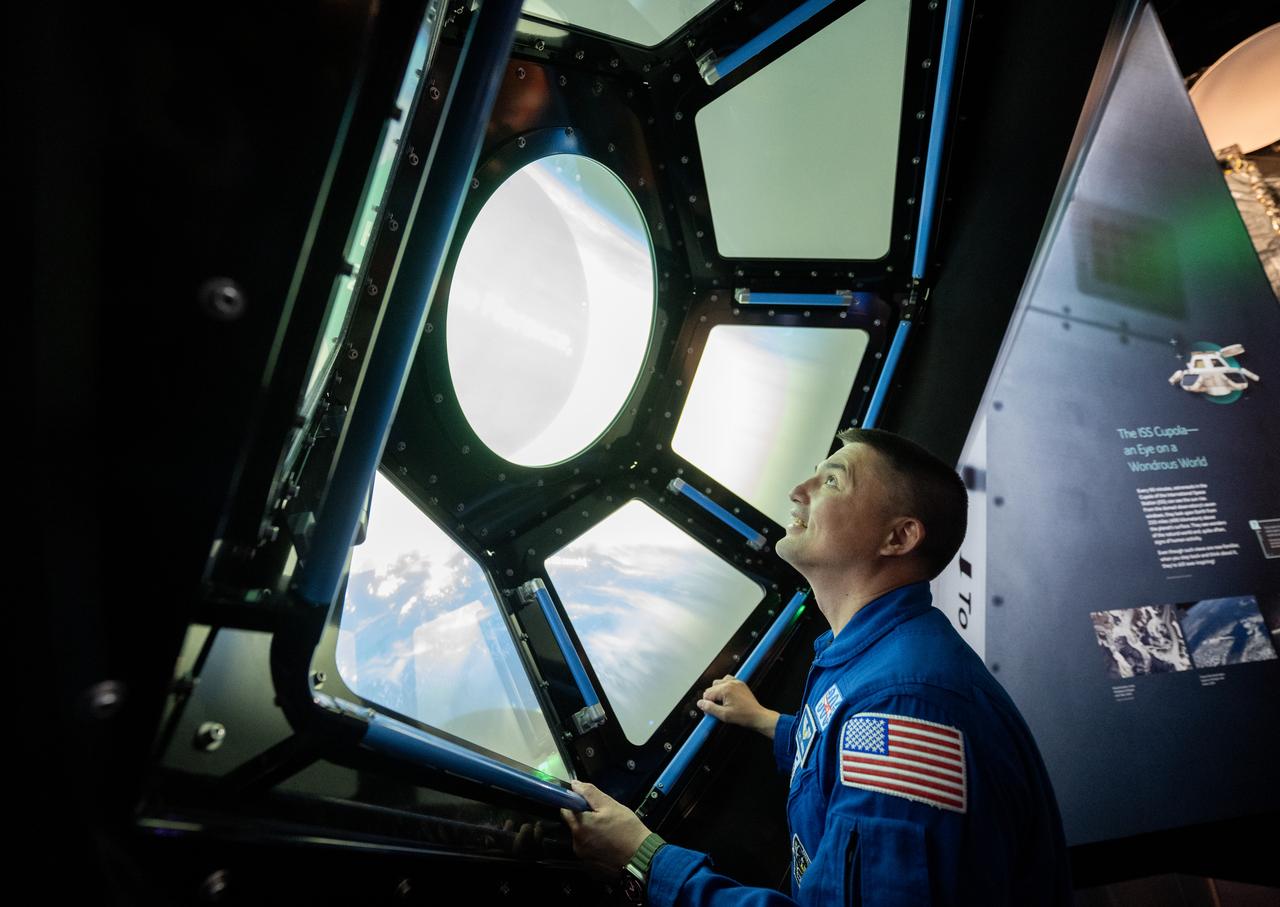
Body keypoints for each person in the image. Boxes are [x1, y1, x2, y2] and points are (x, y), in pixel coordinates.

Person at [560, 428, 1072, 905]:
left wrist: (644, 859)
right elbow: (844, 747)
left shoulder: (905, 706)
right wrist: (766, 721)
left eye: (832, 481)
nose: (798, 491)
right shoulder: (875, 656)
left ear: (898, 538)